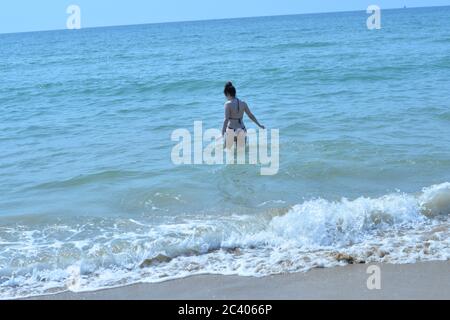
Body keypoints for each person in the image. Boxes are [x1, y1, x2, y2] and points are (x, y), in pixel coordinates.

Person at [222, 82, 265, 149]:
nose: (226, 98)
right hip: (242, 129)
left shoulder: (228, 104)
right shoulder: (243, 103)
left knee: (226, 151)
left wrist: (223, 131)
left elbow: (226, 119)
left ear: (228, 94)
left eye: (226, 96)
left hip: (231, 130)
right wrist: (259, 125)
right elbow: (250, 115)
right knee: (241, 153)